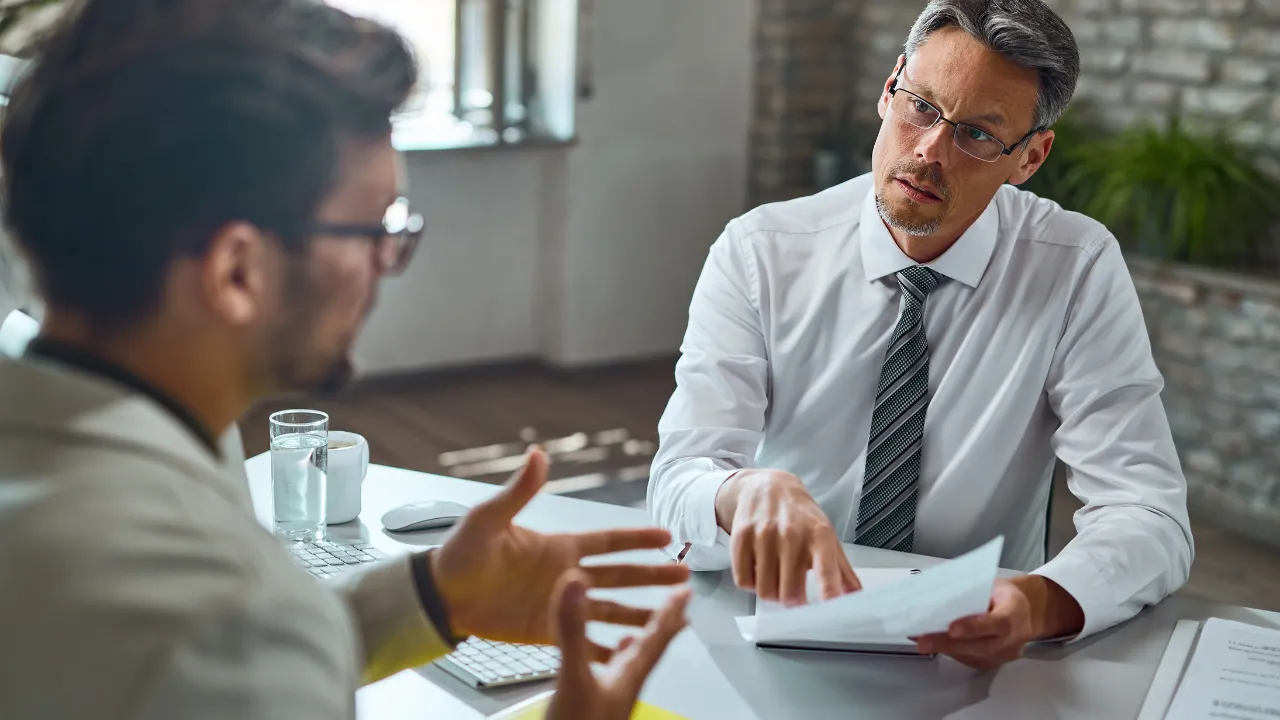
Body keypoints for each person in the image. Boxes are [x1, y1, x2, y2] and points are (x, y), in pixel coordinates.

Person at [0, 0, 691, 717]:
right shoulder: (215, 613)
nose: (386, 264)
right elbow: (224, 655)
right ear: (237, 271)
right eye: (372, 228)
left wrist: (427, 598)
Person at [648, 0, 1194, 671]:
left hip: (973, 654)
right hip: (767, 626)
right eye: (922, 108)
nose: (930, 150)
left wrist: (1043, 600)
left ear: (1030, 157)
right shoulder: (760, 251)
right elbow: (678, 480)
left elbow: (1147, 511)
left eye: (978, 135)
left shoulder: (1074, 267)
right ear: (889, 90)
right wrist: (737, 494)